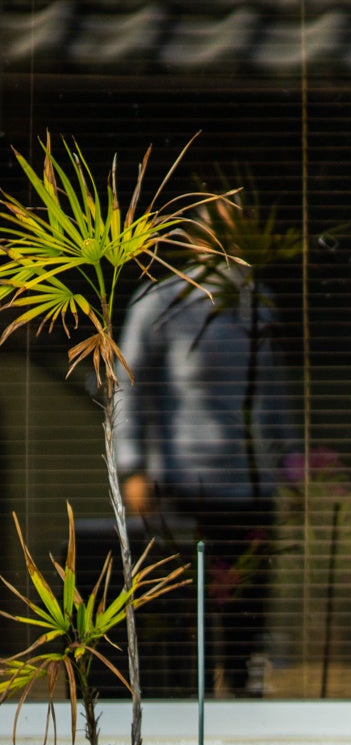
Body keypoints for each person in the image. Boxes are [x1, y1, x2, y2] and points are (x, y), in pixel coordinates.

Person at [116, 258, 295, 694]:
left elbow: (274, 390)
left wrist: (293, 463)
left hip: (250, 481)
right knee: (183, 598)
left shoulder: (258, 303)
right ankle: (184, 693)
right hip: (184, 481)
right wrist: (133, 465)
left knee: (248, 595)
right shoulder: (160, 302)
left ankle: (242, 687)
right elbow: (128, 385)